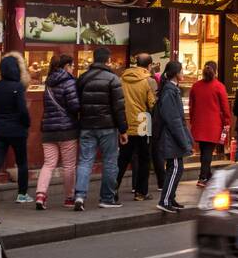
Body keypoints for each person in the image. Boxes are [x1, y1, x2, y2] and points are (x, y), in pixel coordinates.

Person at [73, 47, 128, 210]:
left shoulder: (82, 78)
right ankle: (107, 198)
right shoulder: (113, 79)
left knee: (84, 161)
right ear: (108, 60)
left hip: (86, 126)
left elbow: (77, 104)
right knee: (110, 162)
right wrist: (123, 130)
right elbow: (119, 107)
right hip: (108, 127)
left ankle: (80, 197)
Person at [36, 54, 80, 210]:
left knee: (48, 164)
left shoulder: (48, 83)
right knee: (69, 166)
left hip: (48, 129)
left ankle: (40, 195)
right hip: (67, 130)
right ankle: (69, 197)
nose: (73, 68)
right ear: (66, 66)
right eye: (72, 65)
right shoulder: (69, 82)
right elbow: (74, 106)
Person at [0, 53, 32, 203]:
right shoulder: (18, 87)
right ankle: (22, 194)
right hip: (17, 130)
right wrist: (26, 124)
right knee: (22, 162)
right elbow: (22, 110)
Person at [117, 54, 157, 201]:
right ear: (149, 66)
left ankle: (112, 190)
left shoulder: (122, 79)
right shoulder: (149, 81)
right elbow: (152, 104)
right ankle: (141, 192)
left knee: (122, 159)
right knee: (144, 159)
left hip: (125, 123)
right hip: (143, 123)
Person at [155, 61, 193, 213]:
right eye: (182, 71)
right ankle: (165, 200)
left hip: (172, 136)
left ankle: (170, 198)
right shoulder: (170, 91)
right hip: (171, 137)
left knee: (177, 168)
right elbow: (174, 120)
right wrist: (184, 141)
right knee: (175, 168)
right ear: (176, 74)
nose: (183, 73)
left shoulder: (171, 90)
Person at [189, 61, 231, 186]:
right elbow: (225, 107)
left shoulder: (196, 86)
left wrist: (192, 120)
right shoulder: (219, 86)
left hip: (199, 123)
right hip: (214, 125)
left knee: (204, 150)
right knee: (207, 152)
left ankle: (207, 174)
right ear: (216, 71)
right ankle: (202, 178)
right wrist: (227, 122)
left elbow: (192, 106)